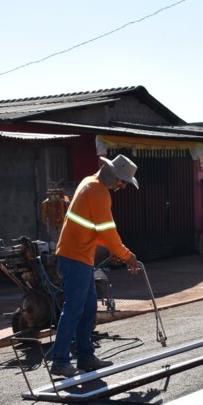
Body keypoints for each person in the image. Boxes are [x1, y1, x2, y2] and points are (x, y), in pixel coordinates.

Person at [50, 154, 139, 378]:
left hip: (78, 256)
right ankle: (60, 360)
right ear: (115, 176)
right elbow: (108, 232)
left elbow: (95, 229)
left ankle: (86, 357)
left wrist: (113, 249)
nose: (122, 187)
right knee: (74, 308)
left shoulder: (88, 182)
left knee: (88, 308)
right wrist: (126, 255)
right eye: (123, 182)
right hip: (76, 257)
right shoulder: (99, 192)